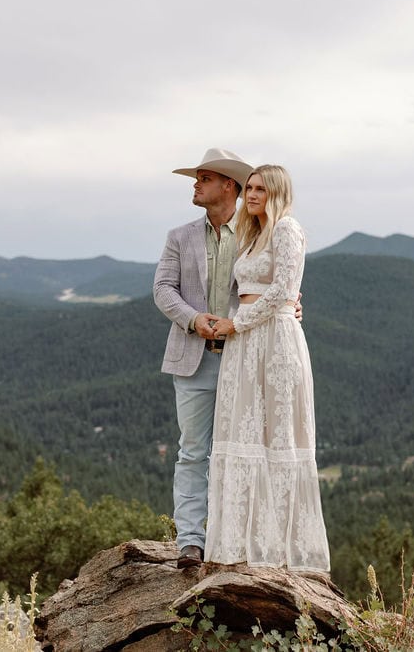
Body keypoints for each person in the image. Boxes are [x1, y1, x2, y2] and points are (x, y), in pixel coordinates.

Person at [203, 165, 330, 573]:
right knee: (243, 432)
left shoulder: (287, 229)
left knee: (278, 435)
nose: (250, 195)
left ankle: (281, 549)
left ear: (275, 192)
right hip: (246, 342)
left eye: (259, 189)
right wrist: (236, 322)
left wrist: (237, 322)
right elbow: (257, 290)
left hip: (274, 341)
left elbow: (282, 290)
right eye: (249, 188)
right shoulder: (252, 234)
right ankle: (242, 543)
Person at [153, 148, 254, 569]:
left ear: (227, 185)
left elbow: (275, 283)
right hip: (193, 358)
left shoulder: (257, 232)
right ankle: (191, 542)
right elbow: (163, 290)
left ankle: (233, 538)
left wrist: (291, 305)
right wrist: (195, 321)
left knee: (241, 451)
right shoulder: (180, 236)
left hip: (245, 358)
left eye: (203, 178)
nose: (195, 185)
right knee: (193, 451)